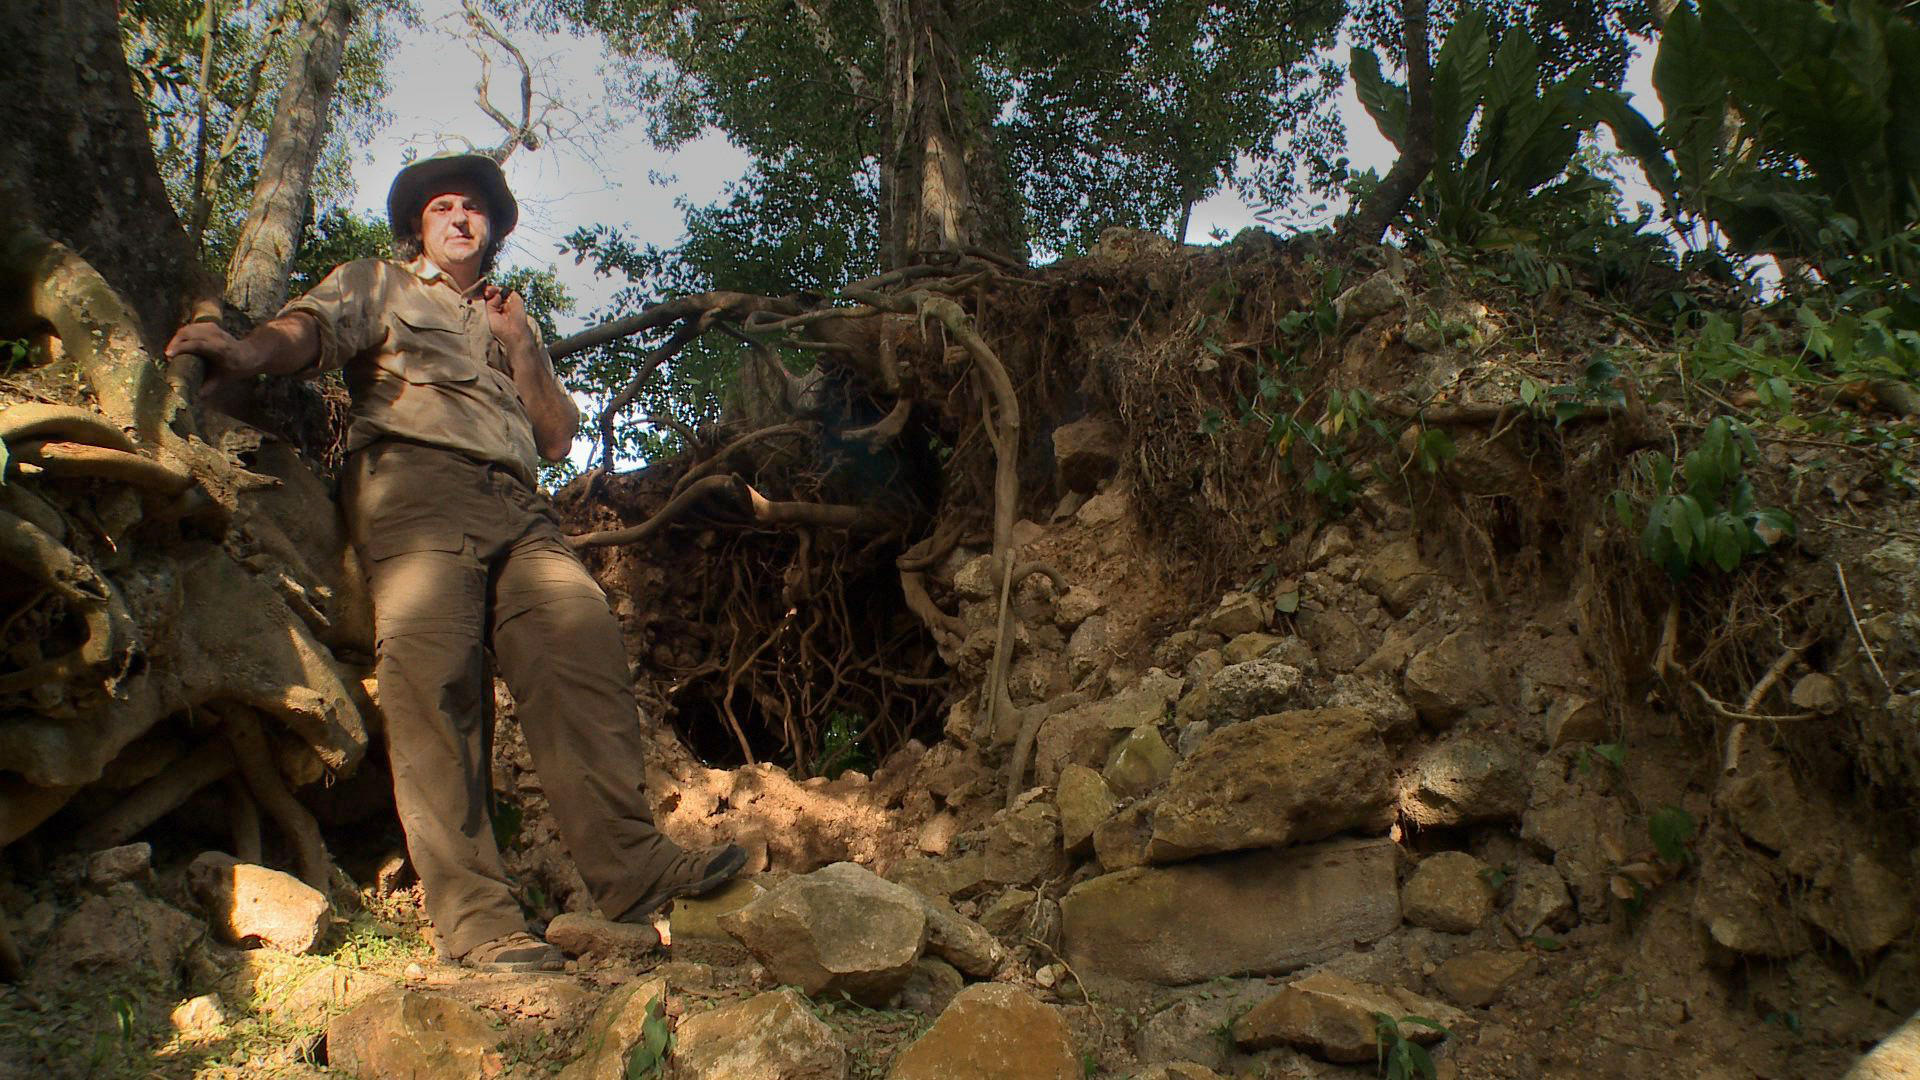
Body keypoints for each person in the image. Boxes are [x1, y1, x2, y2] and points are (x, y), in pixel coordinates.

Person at [166, 152, 744, 972]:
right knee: (436, 686)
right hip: (413, 483)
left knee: (580, 646)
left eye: (475, 208)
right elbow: (311, 331)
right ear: (419, 226)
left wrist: (522, 348)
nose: (460, 218)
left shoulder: (516, 319)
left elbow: (553, 437)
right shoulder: (381, 282)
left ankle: (637, 871)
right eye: (443, 207)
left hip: (517, 498)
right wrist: (247, 351)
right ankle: (478, 917)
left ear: (494, 228)